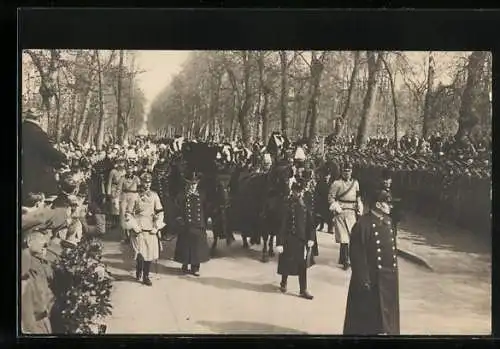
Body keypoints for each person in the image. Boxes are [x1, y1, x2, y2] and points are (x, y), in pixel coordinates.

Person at [343, 190, 400, 335]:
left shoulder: (388, 222)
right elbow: (357, 256)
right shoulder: (363, 224)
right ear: (378, 204)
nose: (390, 206)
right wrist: (363, 280)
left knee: (386, 320)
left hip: (387, 279)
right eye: (388, 203)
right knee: (366, 322)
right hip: (370, 281)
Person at [275, 181, 317, 300]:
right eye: (295, 191)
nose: (297, 193)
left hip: (301, 239)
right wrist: (280, 243)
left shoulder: (306, 205)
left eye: (299, 191)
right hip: (289, 238)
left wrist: (311, 238)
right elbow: (282, 225)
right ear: (292, 191)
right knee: (286, 262)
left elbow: (311, 224)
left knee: (302, 265)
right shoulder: (287, 205)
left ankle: (303, 290)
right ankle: (283, 282)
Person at [125, 172, 164, 286]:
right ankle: (139, 268)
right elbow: (128, 213)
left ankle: (146, 275)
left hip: (150, 228)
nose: (147, 185)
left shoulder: (154, 195)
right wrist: (134, 226)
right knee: (140, 253)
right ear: (140, 182)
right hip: (139, 228)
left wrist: (157, 226)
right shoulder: (135, 196)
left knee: (149, 254)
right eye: (145, 182)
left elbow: (160, 211)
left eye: (149, 182)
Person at [21, 108, 67, 202]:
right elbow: (48, 151)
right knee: (53, 192)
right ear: (39, 118)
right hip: (33, 174)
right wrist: (63, 157)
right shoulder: (38, 133)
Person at [173, 171, 210, 276]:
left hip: (198, 224)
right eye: (191, 183)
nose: (193, 186)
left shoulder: (202, 194)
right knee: (185, 245)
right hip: (186, 225)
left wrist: (204, 220)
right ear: (187, 183)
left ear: (197, 183)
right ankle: (185, 264)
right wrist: (179, 219)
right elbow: (176, 208)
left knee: (197, 245)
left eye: (195, 184)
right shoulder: (182, 195)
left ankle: (195, 267)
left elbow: (206, 208)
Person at [328, 162, 363, 270]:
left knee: (351, 236)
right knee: (344, 238)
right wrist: (335, 206)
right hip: (341, 212)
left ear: (352, 171)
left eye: (349, 171)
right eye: (345, 171)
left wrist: (360, 205)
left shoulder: (355, 183)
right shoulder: (336, 183)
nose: (347, 173)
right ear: (342, 172)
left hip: (352, 212)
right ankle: (346, 260)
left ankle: (343, 257)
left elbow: (358, 196)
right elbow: (331, 197)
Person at [119, 162, 141, 243]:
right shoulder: (122, 178)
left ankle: (133, 233)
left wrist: (139, 198)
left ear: (133, 169)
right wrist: (117, 199)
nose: (129, 170)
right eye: (128, 168)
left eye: (131, 168)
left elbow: (140, 189)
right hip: (124, 196)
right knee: (123, 214)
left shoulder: (136, 178)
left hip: (133, 196)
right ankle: (125, 235)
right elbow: (119, 189)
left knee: (132, 214)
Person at [107, 158, 126, 228]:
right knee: (114, 205)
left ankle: (120, 221)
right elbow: (109, 182)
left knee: (121, 206)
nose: (121, 164)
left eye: (122, 162)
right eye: (119, 162)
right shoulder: (113, 171)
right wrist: (108, 192)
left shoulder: (125, 171)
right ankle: (114, 222)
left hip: (122, 189)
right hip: (114, 188)